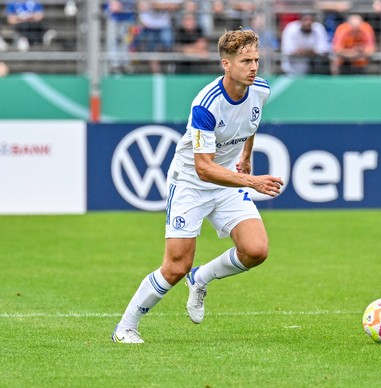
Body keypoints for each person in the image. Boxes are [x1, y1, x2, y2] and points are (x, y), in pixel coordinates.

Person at [112, 28, 284, 344]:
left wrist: (246, 156)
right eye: (246, 61)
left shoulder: (260, 88)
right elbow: (204, 168)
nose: (254, 67)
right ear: (226, 64)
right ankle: (126, 327)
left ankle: (201, 278)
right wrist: (251, 180)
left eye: (257, 59)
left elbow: (251, 122)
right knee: (176, 266)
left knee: (256, 250)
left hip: (228, 180)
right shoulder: (206, 104)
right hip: (192, 182)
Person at [132, 0, 183, 73]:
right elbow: (141, 5)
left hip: (164, 25)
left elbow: (176, 5)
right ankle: (156, 73)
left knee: (169, 47)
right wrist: (163, 6)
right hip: (148, 26)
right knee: (150, 51)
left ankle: (166, 71)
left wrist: (154, 5)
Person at [105, 0, 137, 74]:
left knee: (127, 42)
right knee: (112, 42)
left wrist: (123, 5)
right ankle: (114, 65)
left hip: (128, 17)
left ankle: (126, 65)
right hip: (113, 17)